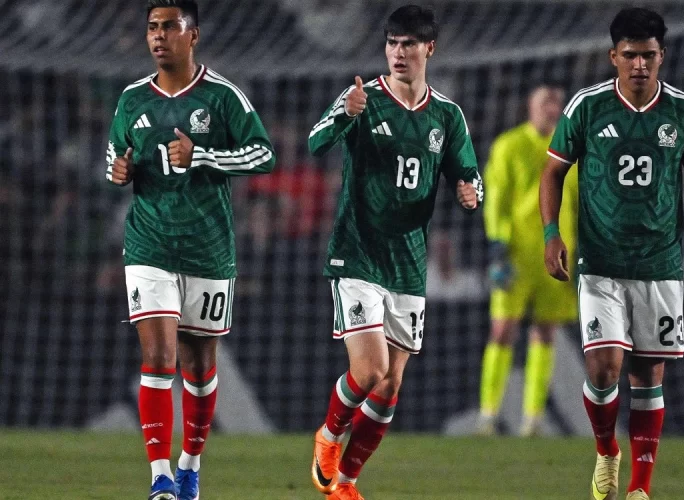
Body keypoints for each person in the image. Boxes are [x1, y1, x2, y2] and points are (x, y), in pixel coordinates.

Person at [539, 7, 684, 500]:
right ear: (612, 57)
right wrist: (551, 233)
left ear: (662, 56)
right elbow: (553, 170)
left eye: (648, 55)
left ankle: (640, 489)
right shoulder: (587, 107)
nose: (639, 64)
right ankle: (606, 453)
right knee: (603, 369)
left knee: (648, 373)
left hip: (660, 263)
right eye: (629, 55)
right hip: (599, 262)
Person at [307, 5, 482, 499]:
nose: (398, 52)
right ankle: (328, 436)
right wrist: (346, 114)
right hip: (358, 253)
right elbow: (315, 143)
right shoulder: (363, 97)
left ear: (430, 48)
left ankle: (346, 482)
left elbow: (468, 173)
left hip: (408, 263)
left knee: (389, 388)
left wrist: (471, 192)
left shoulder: (446, 114)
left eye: (409, 43)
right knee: (369, 371)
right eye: (391, 43)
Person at [106, 1, 276, 499]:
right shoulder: (132, 99)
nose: (158, 37)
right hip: (148, 244)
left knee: (198, 368)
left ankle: (189, 465)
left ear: (193, 34)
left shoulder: (223, 96)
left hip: (207, 248)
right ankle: (160, 479)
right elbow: (114, 159)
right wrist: (117, 172)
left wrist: (201, 154)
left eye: (169, 27)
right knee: (157, 356)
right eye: (152, 28)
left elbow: (263, 153)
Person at [478, 82, 579, 436]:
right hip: (517, 254)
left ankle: (532, 418)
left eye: (556, 102)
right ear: (530, 105)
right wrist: (497, 244)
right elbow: (497, 198)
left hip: (558, 254)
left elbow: (581, 201)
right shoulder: (509, 145)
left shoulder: (572, 149)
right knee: (503, 330)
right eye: (544, 101)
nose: (550, 107)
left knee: (545, 333)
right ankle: (488, 414)